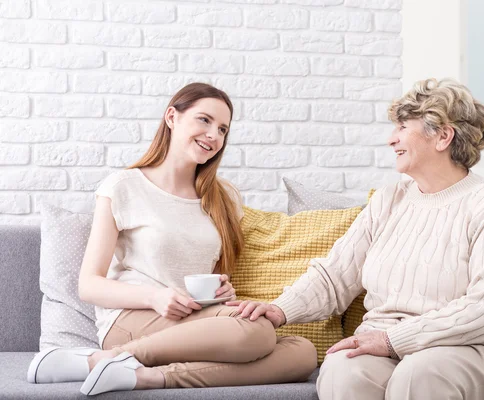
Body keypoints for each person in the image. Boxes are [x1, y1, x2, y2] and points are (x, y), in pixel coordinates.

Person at [233, 78, 484, 400]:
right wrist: (279, 310)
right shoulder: (389, 200)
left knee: (422, 374)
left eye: (402, 127)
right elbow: (336, 275)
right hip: (391, 339)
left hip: (478, 345)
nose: (391, 139)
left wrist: (394, 339)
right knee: (344, 370)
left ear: (443, 136)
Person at [27, 82, 317, 396]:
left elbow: (207, 273)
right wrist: (155, 297)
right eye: (204, 120)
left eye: (222, 129)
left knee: (303, 352)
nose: (213, 135)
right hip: (132, 318)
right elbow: (89, 284)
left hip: (194, 320)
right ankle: (115, 354)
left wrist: (222, 289)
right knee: (258, 333)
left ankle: (142, 375)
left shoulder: (225, 198)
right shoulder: (123, 186)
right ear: (172, 117)